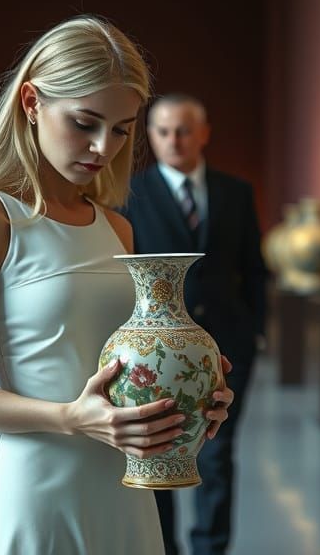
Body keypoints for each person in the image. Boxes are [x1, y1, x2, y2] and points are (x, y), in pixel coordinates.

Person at [0, 17, 235, 554]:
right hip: (35, 484)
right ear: (31, 103)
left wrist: (192, 392)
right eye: (85, 122)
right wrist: (70, 418)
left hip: (126, 484)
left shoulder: (117, 228)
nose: (102, 147)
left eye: (120, 128)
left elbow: (126, 367)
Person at [123, 94, 266, 555]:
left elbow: (255, 268)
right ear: (151, 135)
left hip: (230, 343)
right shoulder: (131, 195)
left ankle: (211, 548)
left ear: (203, 133)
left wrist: (257, 330)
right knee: (161, 449)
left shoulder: (235, 192)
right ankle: (163, 548)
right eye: (163, 131)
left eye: (183, 130)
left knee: (219, 451)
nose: (173, 140)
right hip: (159, 354)